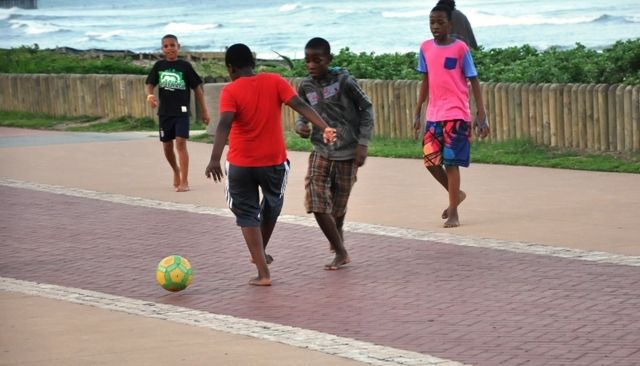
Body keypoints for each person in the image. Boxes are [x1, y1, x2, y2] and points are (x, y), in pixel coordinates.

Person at [205, 43, 337, 286]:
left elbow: (224, 123)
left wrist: (214, 159)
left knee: (245, 212)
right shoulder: (274, 81)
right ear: (253, 63)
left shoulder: (231, 90)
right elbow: (301, 105)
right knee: (272, 204)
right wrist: (324, 126)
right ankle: (260, 254)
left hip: (242, 164)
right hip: (274, 162)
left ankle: (263, 272)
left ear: (230, 68)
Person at [294, 37, 374, 270]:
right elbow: (302, 110)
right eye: (307, 60)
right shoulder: (305, 85)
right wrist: (301, 125)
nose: (311, 65)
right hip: (320, 150)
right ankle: (341, 251)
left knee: (338, 209)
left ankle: (336, 236)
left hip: (348, 152)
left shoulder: (345, 81)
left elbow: (367, 108)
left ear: (328, 59)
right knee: (317, 202)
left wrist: (363, 143)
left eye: (317, 60)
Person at [413, 1, 489, 228]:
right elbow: (425, 80)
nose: (435, 26)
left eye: (440, 22)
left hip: (457, 114)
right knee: (430, 162)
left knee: (451, 164)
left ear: (451, 24)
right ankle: (457, 194)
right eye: (431, 22)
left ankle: (454, 211)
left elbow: (473, 79)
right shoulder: (425, 48)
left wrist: (481, 114)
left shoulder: (460, 48)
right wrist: (418, 111)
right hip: (434, 114)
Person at [145, 34, 210, 192]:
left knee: (180, 143)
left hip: (181, 112)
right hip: (164, 113)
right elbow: (149, 84)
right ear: (162, 49)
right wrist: (150, 95)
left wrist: (205, 112)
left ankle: (184, 181)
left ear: (178, 47)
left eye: (172, 45)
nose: (169, 49)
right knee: (167, 147)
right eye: (166, 46)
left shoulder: (185, 66)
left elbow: (198, 90)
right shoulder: (159, 66)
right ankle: (176, 170)